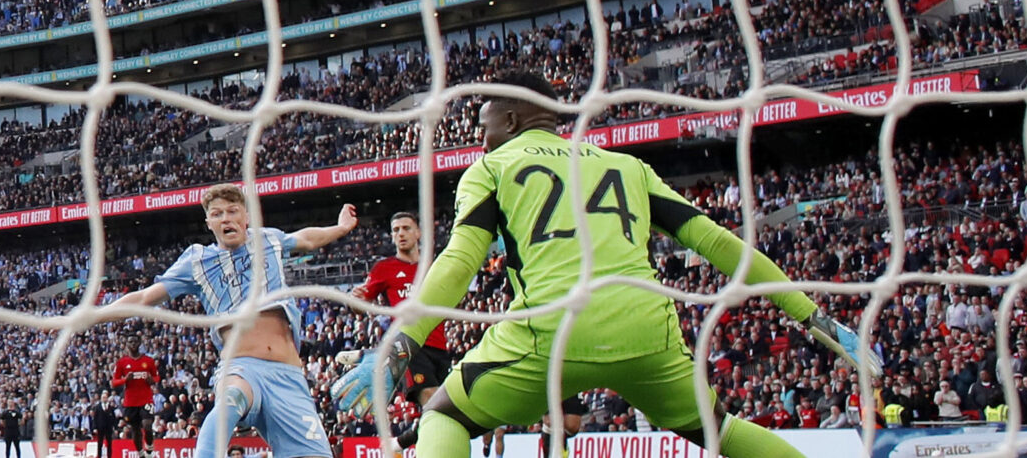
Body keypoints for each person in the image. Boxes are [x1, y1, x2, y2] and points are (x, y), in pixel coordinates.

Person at [332, 69, 881, 458]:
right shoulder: (628, 166)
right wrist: (811, 314)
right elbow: (721, 245)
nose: (481, 137)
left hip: (551, 330)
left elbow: (459, 263)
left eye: (486, 124)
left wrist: (398, 344)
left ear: (514, 117)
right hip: (648, 332)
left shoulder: (494, 167)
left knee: (444, 416)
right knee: (717, 429)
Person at [109, 184, 357, 458]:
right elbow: (145, 298)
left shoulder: (267, 240)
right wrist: (94, 314)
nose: (225, 218)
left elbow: (306, 239)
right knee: (232, 400)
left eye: (232, 211)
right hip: (241, 367)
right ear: (209, 223)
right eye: (217, 214)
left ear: (246, 217)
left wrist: (341, 228)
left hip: (288, 375)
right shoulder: (198, 260)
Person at [345, 212, 450, 452]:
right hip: (409, 346)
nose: (400, 234)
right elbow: (360, 306)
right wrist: (354, 300)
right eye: (395, 230)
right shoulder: (385, 268)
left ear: (418, 233)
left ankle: (400, 444)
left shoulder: (433, 267)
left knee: (444, 412)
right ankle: (404, 443)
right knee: (433, 401)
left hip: (440, 346)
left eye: (405, 228)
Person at [112, 333, 159, 458]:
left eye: (135, 342)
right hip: (130, 402)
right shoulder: (122, 362)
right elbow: (114, 382)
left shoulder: (148, 361)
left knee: (148, 425)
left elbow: (157, 376)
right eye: (130, 342)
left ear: (139, 343)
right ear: (127, 345)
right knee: (136, 430)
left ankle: (149, 450)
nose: (133, 344)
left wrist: (152, 380)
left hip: (146, 399)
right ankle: (141, 454)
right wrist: (125, 380)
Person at [92, 391, 117, 458]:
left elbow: (114, 418)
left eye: (105, 397)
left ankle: (109, 456)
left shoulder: (110, 407)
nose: (104, 399)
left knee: (109, 443)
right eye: (103, 398)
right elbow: (95, 418)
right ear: (101, 399)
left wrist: (115, 427)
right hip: (100, 428)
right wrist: (95, 428)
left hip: (108, 428)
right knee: (100, 444)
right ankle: (99, 456)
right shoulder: (98, 407)